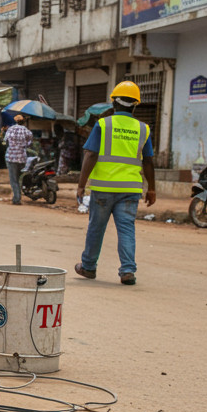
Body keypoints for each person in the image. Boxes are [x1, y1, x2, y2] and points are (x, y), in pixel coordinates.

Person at [74, 82, 156, 286]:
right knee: (126, 229)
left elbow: (91, 154)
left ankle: (88, 267)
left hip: (104, 187)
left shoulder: (103, 124)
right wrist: (152, 188)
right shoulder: (143, 128)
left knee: (96, 228)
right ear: (135, 105)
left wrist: (81, 184)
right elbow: (148, 161)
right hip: (130, 189)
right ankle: (127, 270)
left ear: (113, 102)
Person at [4, 114, 33, 205]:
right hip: (22, 158)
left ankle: (17, 198)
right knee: (20, 178)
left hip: (11, 157)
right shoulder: (27, 131)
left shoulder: (10, 129)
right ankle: (18, 196)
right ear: (23, 122)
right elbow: (29, 143)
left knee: (13, 179)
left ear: (16, 121)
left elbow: (6, 141)